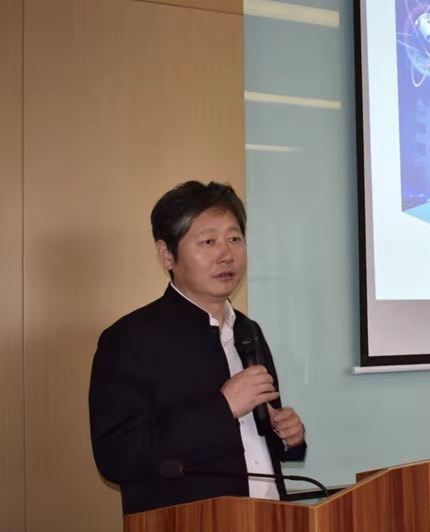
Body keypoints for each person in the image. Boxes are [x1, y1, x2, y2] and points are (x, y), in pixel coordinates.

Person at [89, 181, 306, 515]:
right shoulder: (129, 340)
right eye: (208, 241)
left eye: (234, 238)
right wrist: (223, 408)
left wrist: (287, 436)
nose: (226, 254)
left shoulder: (249, 331)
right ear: (167, 254)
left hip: (271, 517)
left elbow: (253, 443)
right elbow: (118, 457)